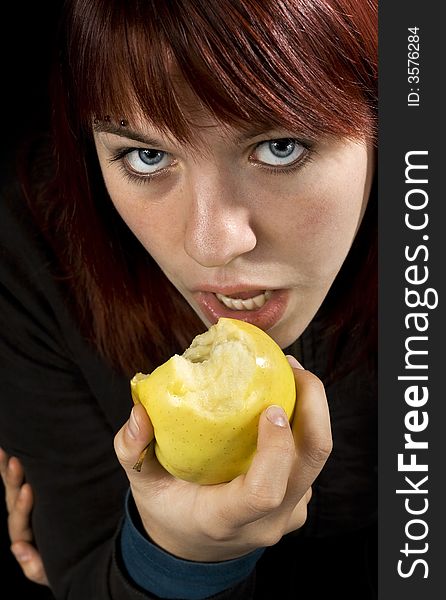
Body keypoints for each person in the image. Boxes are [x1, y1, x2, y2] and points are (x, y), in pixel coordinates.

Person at [0, 0, 378, 598]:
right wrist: (177, 561)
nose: (213, 245)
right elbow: (83, 575)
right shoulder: (36, 248)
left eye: (281, 147)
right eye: (146, 156)